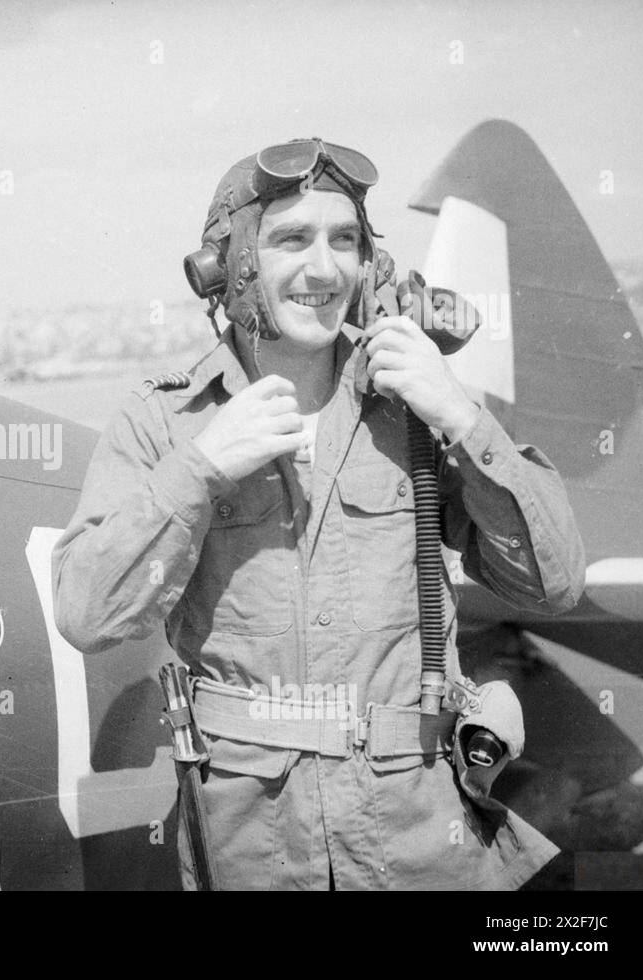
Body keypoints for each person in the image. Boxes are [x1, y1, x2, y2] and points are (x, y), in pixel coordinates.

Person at [50, 139, 587, 890]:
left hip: (420, 839)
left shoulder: (416, 403)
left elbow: (553, 582)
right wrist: (201, 469)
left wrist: (462, 417)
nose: (325, 268)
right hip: (254, 849)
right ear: (232, 266)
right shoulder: (165, 419)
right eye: (292, 239)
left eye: (345, 240)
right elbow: (86, 613)